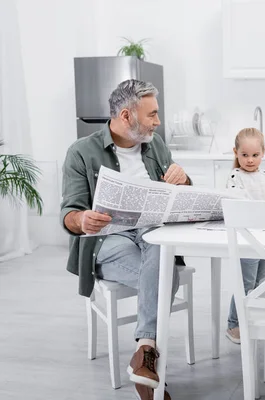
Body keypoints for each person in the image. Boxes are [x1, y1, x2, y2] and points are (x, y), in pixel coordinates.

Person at [60, 79, 191, 400]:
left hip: (152, 233)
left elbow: (178, 197)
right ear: (126, 115)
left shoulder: (156, 144)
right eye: (152, 115)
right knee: (164, 274)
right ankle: (147, 360)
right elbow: (69, 214)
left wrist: (184, 180)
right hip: (107, 241)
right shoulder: (82, 152)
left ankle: (145, 354)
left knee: (159, 251)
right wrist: (82, 219)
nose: (158, 122)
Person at [225, 128, 265, 344]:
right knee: (245, 284)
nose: (250, 160)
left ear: (263, 153)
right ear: (235, 152)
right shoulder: (235, 178)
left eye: (255, 155)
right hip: (246, 239)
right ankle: (234, 324)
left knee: (260, 282)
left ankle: (251, 318)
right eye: (244, 155)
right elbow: (240, 205)